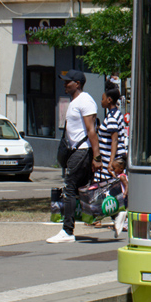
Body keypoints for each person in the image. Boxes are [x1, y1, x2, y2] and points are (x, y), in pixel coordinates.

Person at [48, 70, 99, 244]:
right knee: (81, 188)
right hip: (75, 151)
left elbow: (92, 130)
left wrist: (97, 157)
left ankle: (67, 231)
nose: (64, 84)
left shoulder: (85, 101)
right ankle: (115, 214)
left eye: (68, 81)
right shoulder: (75, 102)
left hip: (82, 151)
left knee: (70, 187)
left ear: (77, 83)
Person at [96, 85, 128, 235]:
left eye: (102, 99)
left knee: (108, 186)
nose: (101, 101)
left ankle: (119, 214)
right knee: (113, 186)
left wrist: (110, 162)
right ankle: (119, 215)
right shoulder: (116, 115)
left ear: (109, 100)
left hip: (112, 158)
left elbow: (114, 141)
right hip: (115, 157)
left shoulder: (112, 118)